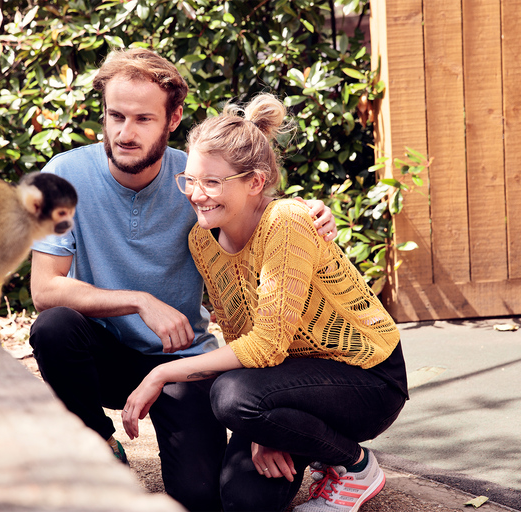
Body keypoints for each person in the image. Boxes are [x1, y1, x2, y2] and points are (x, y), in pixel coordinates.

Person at [28, 48, 337, 511]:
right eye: (115, 116)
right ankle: (97, 440)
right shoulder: (64, 174)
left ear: (172, 120)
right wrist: (138, 301)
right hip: (102, 356)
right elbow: (44, 290)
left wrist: (311, 215)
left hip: (182, 361)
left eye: (142, 119)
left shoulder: (194, 179)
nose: (124, 133)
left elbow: (259, 216)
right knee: (53, 328)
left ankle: (324, 448)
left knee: (200, 497)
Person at [121, 93, 409, 512]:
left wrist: (162, 373)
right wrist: (261, 429)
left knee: (230, 395)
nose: (197, 194)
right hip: (288, 382)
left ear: (255, 182)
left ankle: (355, 464)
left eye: (212, 182)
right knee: (243, 500)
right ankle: (304, 442)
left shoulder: (287, 222)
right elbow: (244, 334)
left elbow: (266, 346)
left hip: (368, 377)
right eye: (190, 180)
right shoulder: (203, 240)